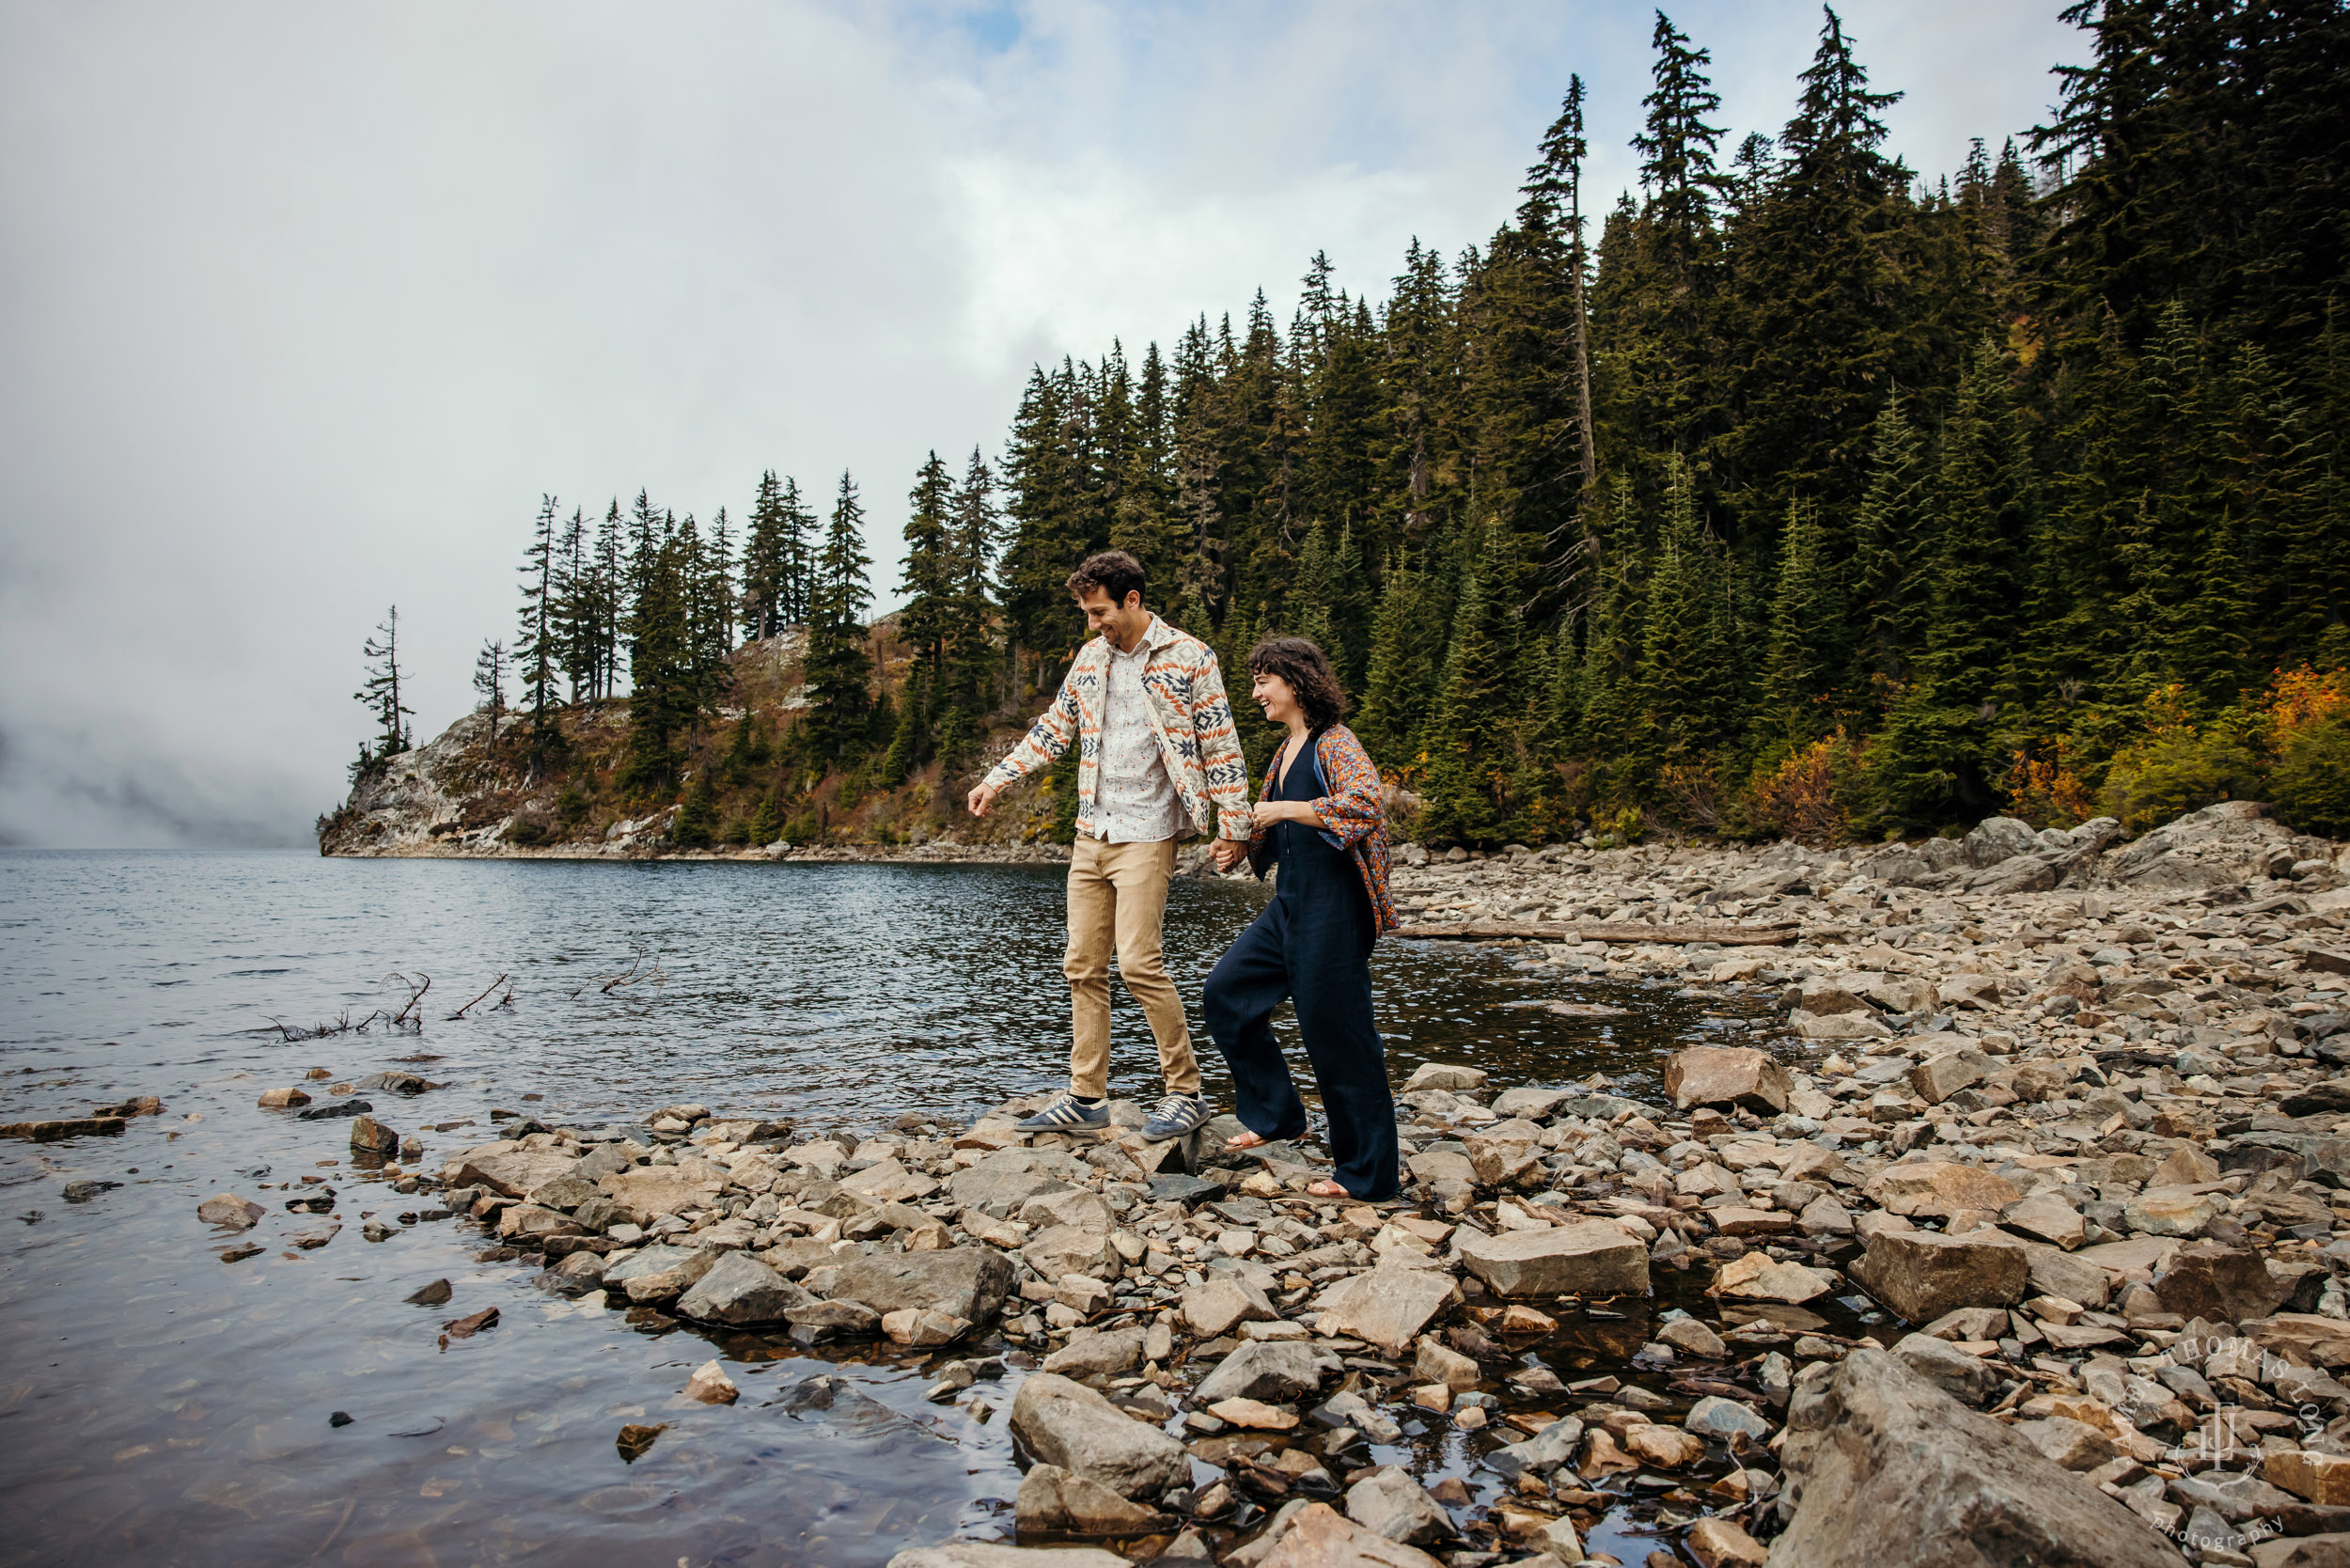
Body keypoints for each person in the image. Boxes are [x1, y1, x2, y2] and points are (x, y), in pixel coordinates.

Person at [966, 550, 1252, 1142]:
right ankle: (1086, 1096)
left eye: (1100, 612)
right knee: (1081, 967)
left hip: (1148, 833)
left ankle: (1186, 1092)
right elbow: (1054, 728)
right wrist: (997, 779)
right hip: (1091, 831)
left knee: (1140, 964)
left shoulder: (1190, 657)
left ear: (1132, 600)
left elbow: (1222, 744)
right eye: (1086, 613)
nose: (1093, 624)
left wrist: (1235, 825)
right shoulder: (1091, 657)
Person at [1202, 635, 1401, 1201]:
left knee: (1338, 1035)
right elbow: (1279, 824)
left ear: (1297, 681)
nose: (1257, 691)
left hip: (1336, 910)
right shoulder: (1286, 750)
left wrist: (1283, 809)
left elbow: (1366, 802)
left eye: (1265, 679)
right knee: (1227, 993)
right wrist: (1241, 847)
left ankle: (1368, 1175)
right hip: (1290, 903)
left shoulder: (1334, 743)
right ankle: (1277, 1116)